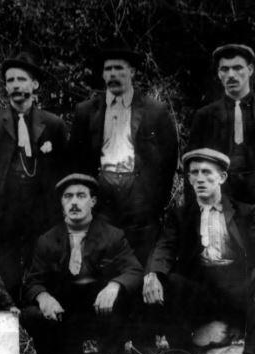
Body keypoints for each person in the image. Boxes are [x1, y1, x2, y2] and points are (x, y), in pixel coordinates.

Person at [143, 148, 255, 354]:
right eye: (194, 173)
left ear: (222, 177)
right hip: (203, 291)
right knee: (168, 281)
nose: (200, 178)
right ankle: (182, 353)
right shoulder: (182, 214)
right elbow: (165, 246)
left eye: (207, 172)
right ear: (189, 179)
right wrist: (153, 273)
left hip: (237, 289)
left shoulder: (245, 212)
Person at [21, 174, 143, 354]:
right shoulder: (47, 240)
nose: (74, 202)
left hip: (100, 310)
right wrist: (44, 298)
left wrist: (114, 286)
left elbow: (134, 270)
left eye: (81, 196)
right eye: (68, 197)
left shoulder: (112, 235)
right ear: (61, 202)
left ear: (93, 201)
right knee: (32, 314)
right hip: (65, 313)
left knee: (127, 296)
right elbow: (32, 281)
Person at [67, 41, 178, 264]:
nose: (113, 74)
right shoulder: (86, 111)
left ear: (132, 72)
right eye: (108, 69)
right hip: (102, 194)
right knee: (104, 259)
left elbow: (169, 161)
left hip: (139, 198)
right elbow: (76, 159)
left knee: (140, 259)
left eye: (119, 68)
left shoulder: (155, 111)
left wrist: (154, 201)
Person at [187, 44, 255, 256]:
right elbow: (191, 169)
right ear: (218, 74)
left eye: (238, 68)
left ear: (251, 70)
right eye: (225, 69)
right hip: (221, 204)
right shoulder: (205, 117)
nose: (231, 75)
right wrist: (197, 211)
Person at [0, 52, 69, 296]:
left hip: (40, 213)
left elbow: (63, 168)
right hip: (4, 213)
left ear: (34, 84)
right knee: (6, 277)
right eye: (10, 80)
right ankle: (10, 321)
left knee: (39, 273)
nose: (16, 85)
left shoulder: (53, 124)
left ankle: (34, 323)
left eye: (21, 79)